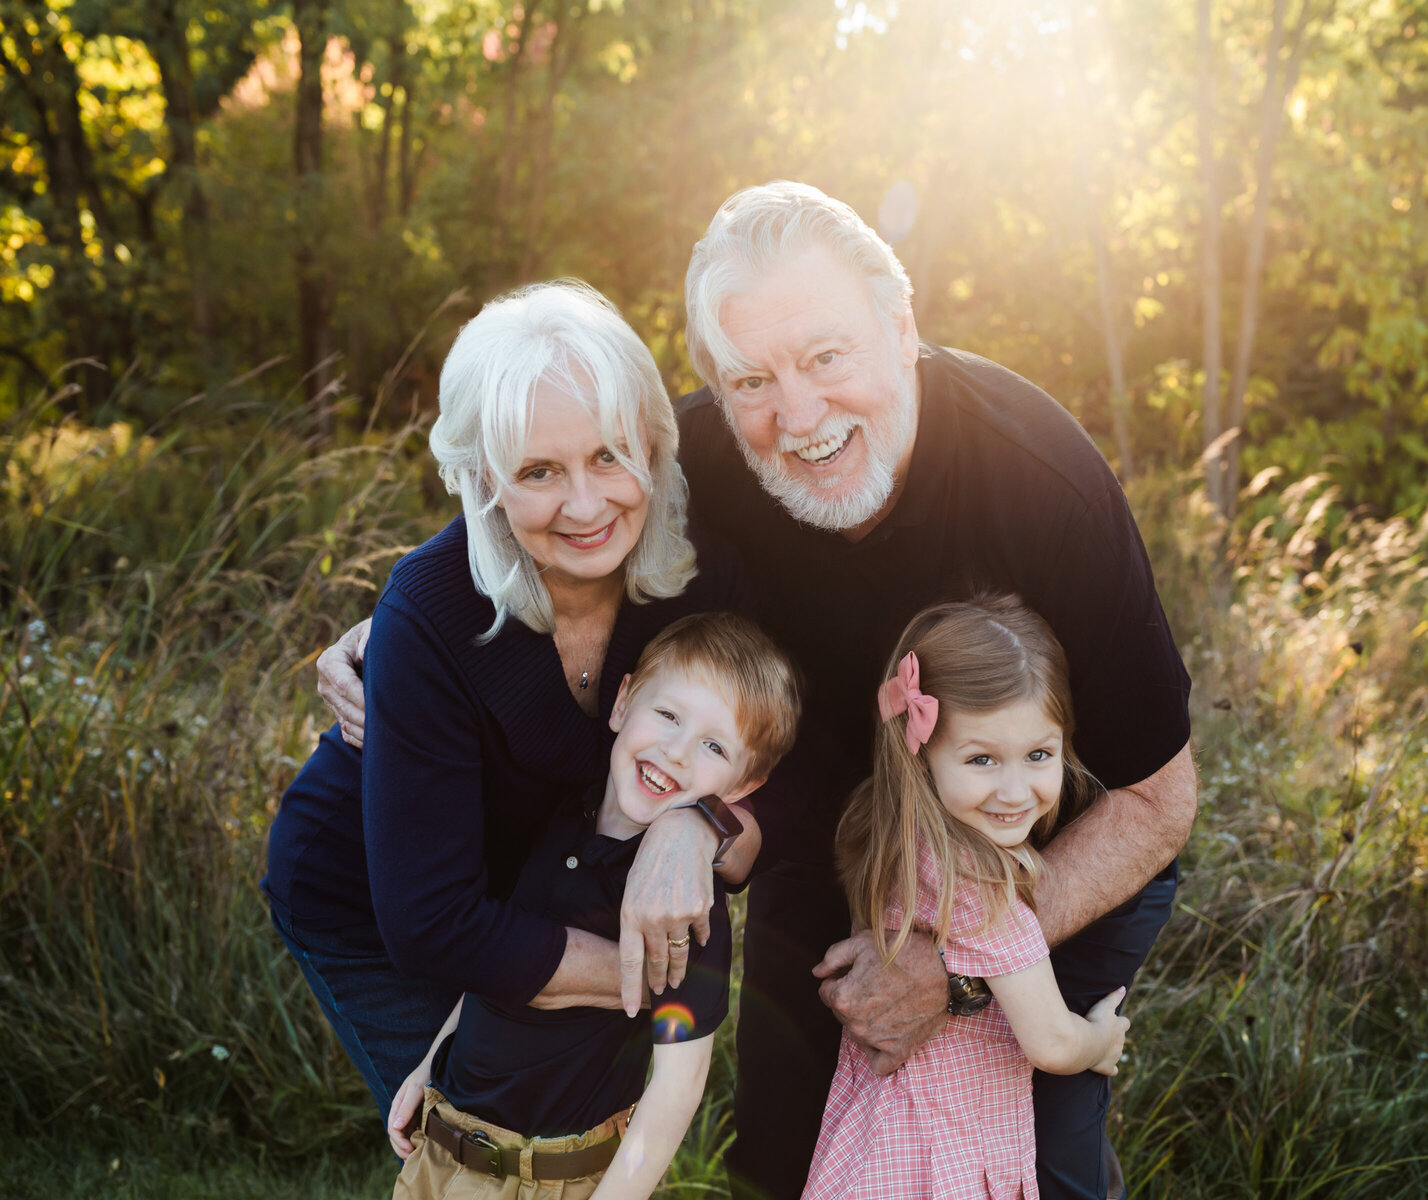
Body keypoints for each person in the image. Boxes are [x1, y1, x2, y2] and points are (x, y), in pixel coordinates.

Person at [320, 182, 1196, 1199]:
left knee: (1032, 1169)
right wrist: (393, 628)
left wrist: (954, 971)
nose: (799, 414)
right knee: (787, 1159)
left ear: (902, 327)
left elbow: (1156, 802)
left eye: (827, 356)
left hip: (1030, 852)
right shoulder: (696, 457)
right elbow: (547, 505)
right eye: (750, 380)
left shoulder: (1044, 487)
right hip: (824, 829)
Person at [264, 280, 762, 1128]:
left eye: (610, 455)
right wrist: (666, 984)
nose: (586, 503)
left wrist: (696, 822)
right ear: (484, 481)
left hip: (536, 894)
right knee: (479, 1144)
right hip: (378, 908)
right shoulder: (430, 612)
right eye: (539, 472)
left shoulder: (701, 580)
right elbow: (432, 925)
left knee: (577, 1138)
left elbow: (763, 765)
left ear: (651, 441)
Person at [385, 611, 802, 1200]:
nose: (677, 751)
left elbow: (677, 1088)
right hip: (439, 1153)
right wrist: (430, 1063)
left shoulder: (684, 905)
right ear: (623, 701)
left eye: (713, 745)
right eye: (668, 715)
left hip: (551, 1179)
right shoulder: (554, 819)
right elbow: (491, 965)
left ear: (741, 788)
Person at [805, 596, 1129, 1200]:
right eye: (982, 759)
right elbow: (1051, 1042)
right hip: (947, 1158)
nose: (1014, 790)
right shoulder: (984, 885)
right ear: (921, 752)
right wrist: (1100, 1041)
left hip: (876, 1145)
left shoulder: (886, 832)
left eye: (1038, 755)